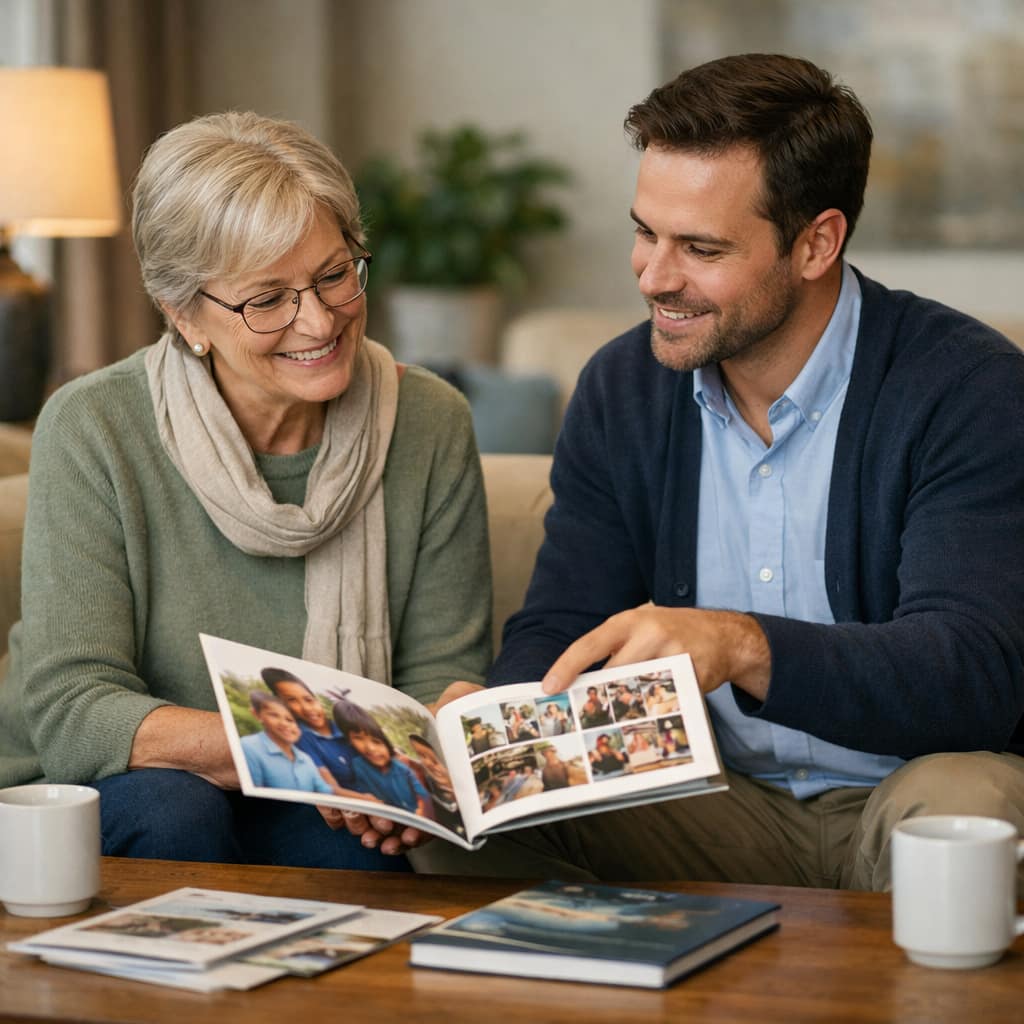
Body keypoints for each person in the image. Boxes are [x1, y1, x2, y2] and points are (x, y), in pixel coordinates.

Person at [415, 53, 1024, 890]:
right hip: (709, 798)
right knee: (458, 816)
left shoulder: (967, 386)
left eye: (700, 248)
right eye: (645, 232)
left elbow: (972, 672)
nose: (654, 276)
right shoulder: (623, 387)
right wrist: (496, 729)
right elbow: (563, 623)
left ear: (816, 243)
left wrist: (740, 645)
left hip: (906, 793)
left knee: (968, 802)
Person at [0, 110, 491, 869]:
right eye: (267, 299)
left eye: (334, 275)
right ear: (183, 314)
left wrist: (414, 772)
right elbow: (78, 710)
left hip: (313, 791)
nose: (318, 321)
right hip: (100, 787)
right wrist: (317, 748)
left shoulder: (430, 421)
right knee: (175, 813)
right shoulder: (95, 425)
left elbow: (437, 676)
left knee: (363, 859)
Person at [331, 693, 432, 817]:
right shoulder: (359, 766)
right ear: (349, 740)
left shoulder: (400, 767)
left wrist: (421, 809)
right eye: (358, 738)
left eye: (376, 741)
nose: (371, 748)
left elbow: (422, 794)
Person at [261, 667, 359, 794]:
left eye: (308, 699)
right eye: (292, 700)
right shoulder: (301, 739)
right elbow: (331, 788)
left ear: (317, 700)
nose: (307, 708)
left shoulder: (347, 726)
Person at [240, 690, 334, 795]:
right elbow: (253, 795)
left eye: (290, 720)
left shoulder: (305, 758)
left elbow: (324, 790)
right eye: (274, 715)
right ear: (258, 715)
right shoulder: (248, 747)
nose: (284, 724)